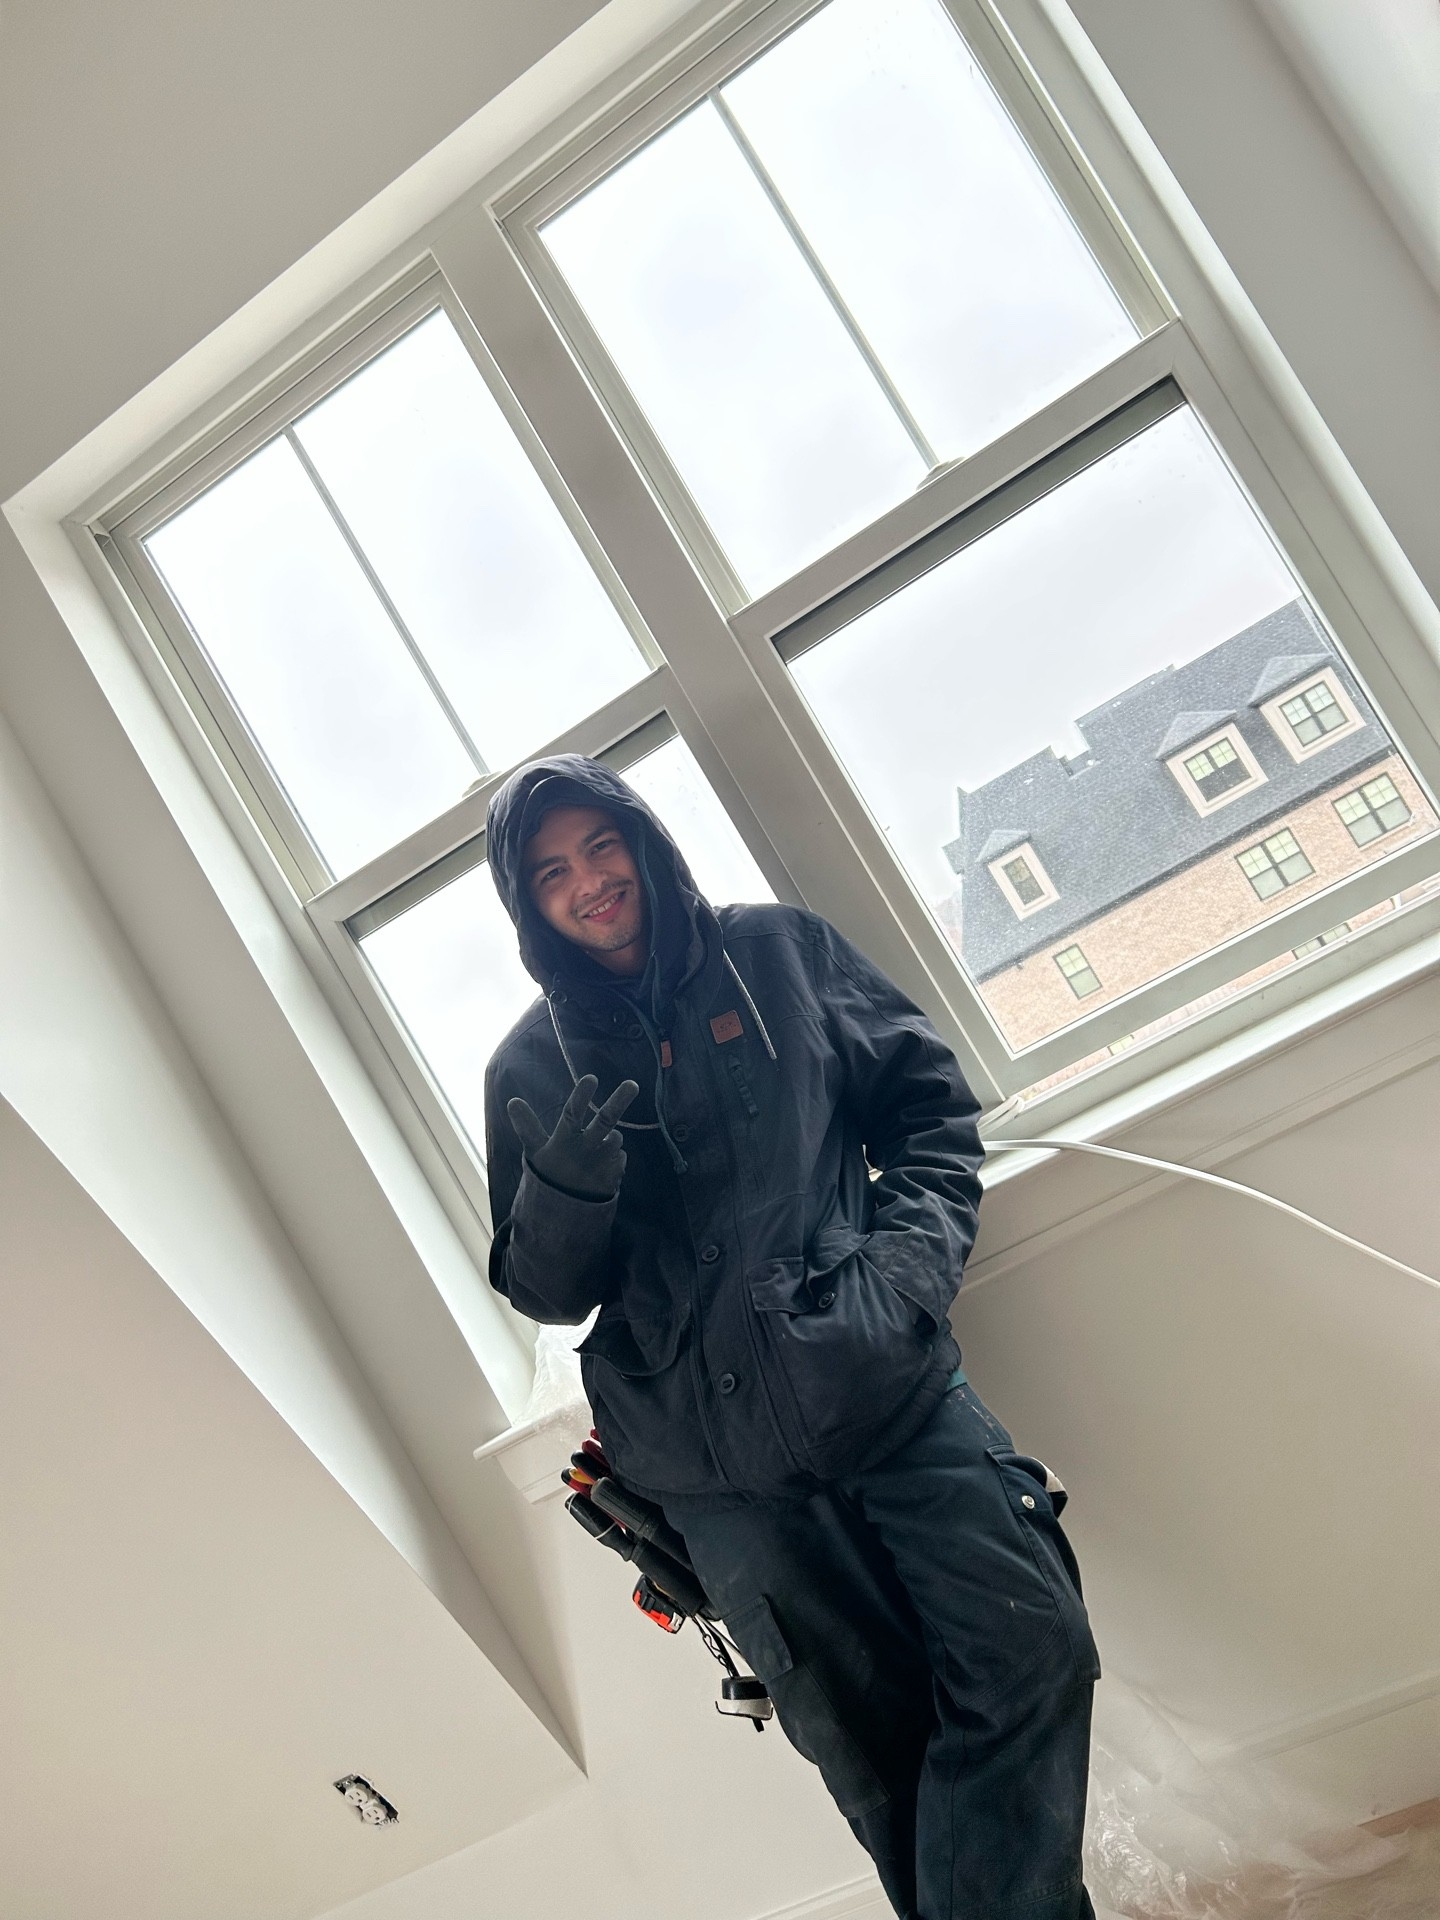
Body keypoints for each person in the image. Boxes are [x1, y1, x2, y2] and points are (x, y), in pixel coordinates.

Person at [483, 753, 1100, 1920]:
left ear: (641, 840)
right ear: (528, 900)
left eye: (600, 846)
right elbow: (547, 1294)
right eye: (551, 871)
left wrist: (899, 1285)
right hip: (714, 1472)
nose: (588, 882)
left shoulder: (778, 952)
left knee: (1033, 1650)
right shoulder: (527, 1066)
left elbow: (929, 1117)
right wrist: (564, 1189)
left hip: (882, 1389)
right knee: (873, 1755)